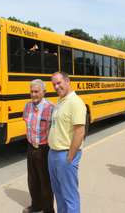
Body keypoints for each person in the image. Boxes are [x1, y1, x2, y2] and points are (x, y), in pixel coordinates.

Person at [48, 72, 86, 213]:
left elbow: (79, 132)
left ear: (68, 81)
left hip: (65, 155)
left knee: (69, 196)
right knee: (58, 194)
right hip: (53, 154)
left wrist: (70, 156)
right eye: (54, 84)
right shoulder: (60, 101)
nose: (56, 87)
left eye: (59, 83)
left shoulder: (75, 102)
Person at [22, 79, 55, 213]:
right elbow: (28, 125)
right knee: (32, 179)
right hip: (31, 147)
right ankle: (36, 205)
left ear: (44, 92)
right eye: (31, 91)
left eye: (36, 91)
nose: (33, 94)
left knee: (45, 181)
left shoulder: (51, 108)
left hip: (44, 149)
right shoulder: (27, 106)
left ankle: (48, 210)